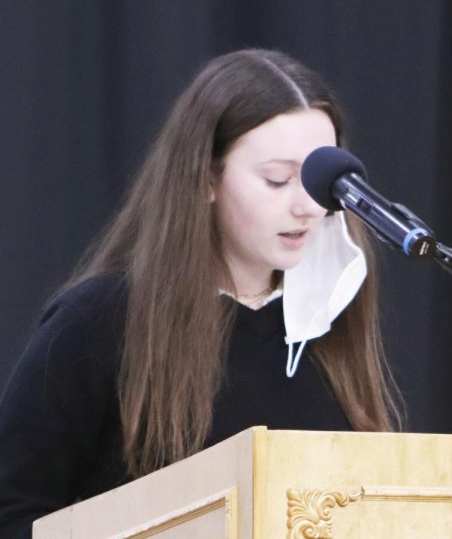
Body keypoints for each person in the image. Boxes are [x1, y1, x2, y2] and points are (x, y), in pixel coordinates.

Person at [0, 49, 402, 536]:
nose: (306, 207)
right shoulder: (97, 322)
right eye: (277, 180)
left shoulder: (330, 321)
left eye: (319, 184)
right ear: (207, 177)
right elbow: (14, 507)